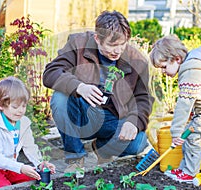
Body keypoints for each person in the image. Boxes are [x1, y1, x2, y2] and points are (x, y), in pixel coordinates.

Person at [43, 10, 154, 177]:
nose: (118, 50)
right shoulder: (78, 44)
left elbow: (143, 98)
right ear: (97, 39)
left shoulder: (135, 60)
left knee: (138, 143)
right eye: (111, 45)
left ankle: (102, 149)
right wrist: (79, 87)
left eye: (122, 44)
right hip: (81, 113)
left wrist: (133, 121)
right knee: (60, 99)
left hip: (111, 117)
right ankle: (75, 158)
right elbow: (51, 73)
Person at [149, 35, 201, 183]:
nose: (163, 72)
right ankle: (184, 169)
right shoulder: (192, 66)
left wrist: (175, 133)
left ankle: (189, 173)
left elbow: (183, 105)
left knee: (192, 137)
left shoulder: (191, 73)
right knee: (188, 135)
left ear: (176, 59)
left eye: (164, 67)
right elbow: (198, 97)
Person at [0, 76, 56, 189]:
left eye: (24, 106)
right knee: (5, 189)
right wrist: (21, 167)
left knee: (35, 177)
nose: (21, 110)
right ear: (0, 105)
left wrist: (40, 164)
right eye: (15, 106)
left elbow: (30, 147)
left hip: (8, 167)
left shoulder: (24, 123)